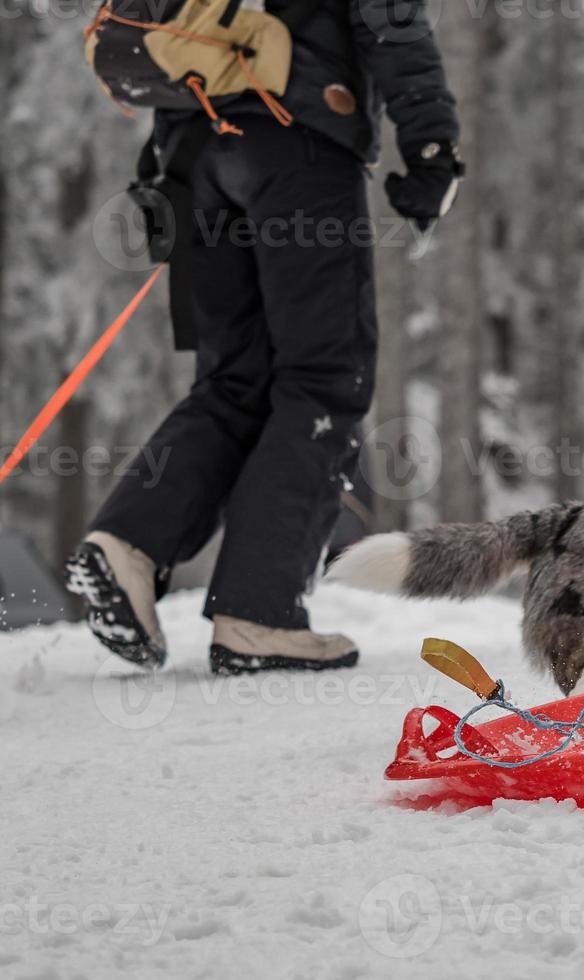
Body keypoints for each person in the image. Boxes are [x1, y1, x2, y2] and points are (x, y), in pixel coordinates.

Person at [65, 0, 462, 674]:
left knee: (234, 380)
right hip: (296, 142)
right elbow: (392, 18)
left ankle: (127, 545)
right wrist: (431, 149)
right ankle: (259, 613)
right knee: (326, 380)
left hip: (191, 154)